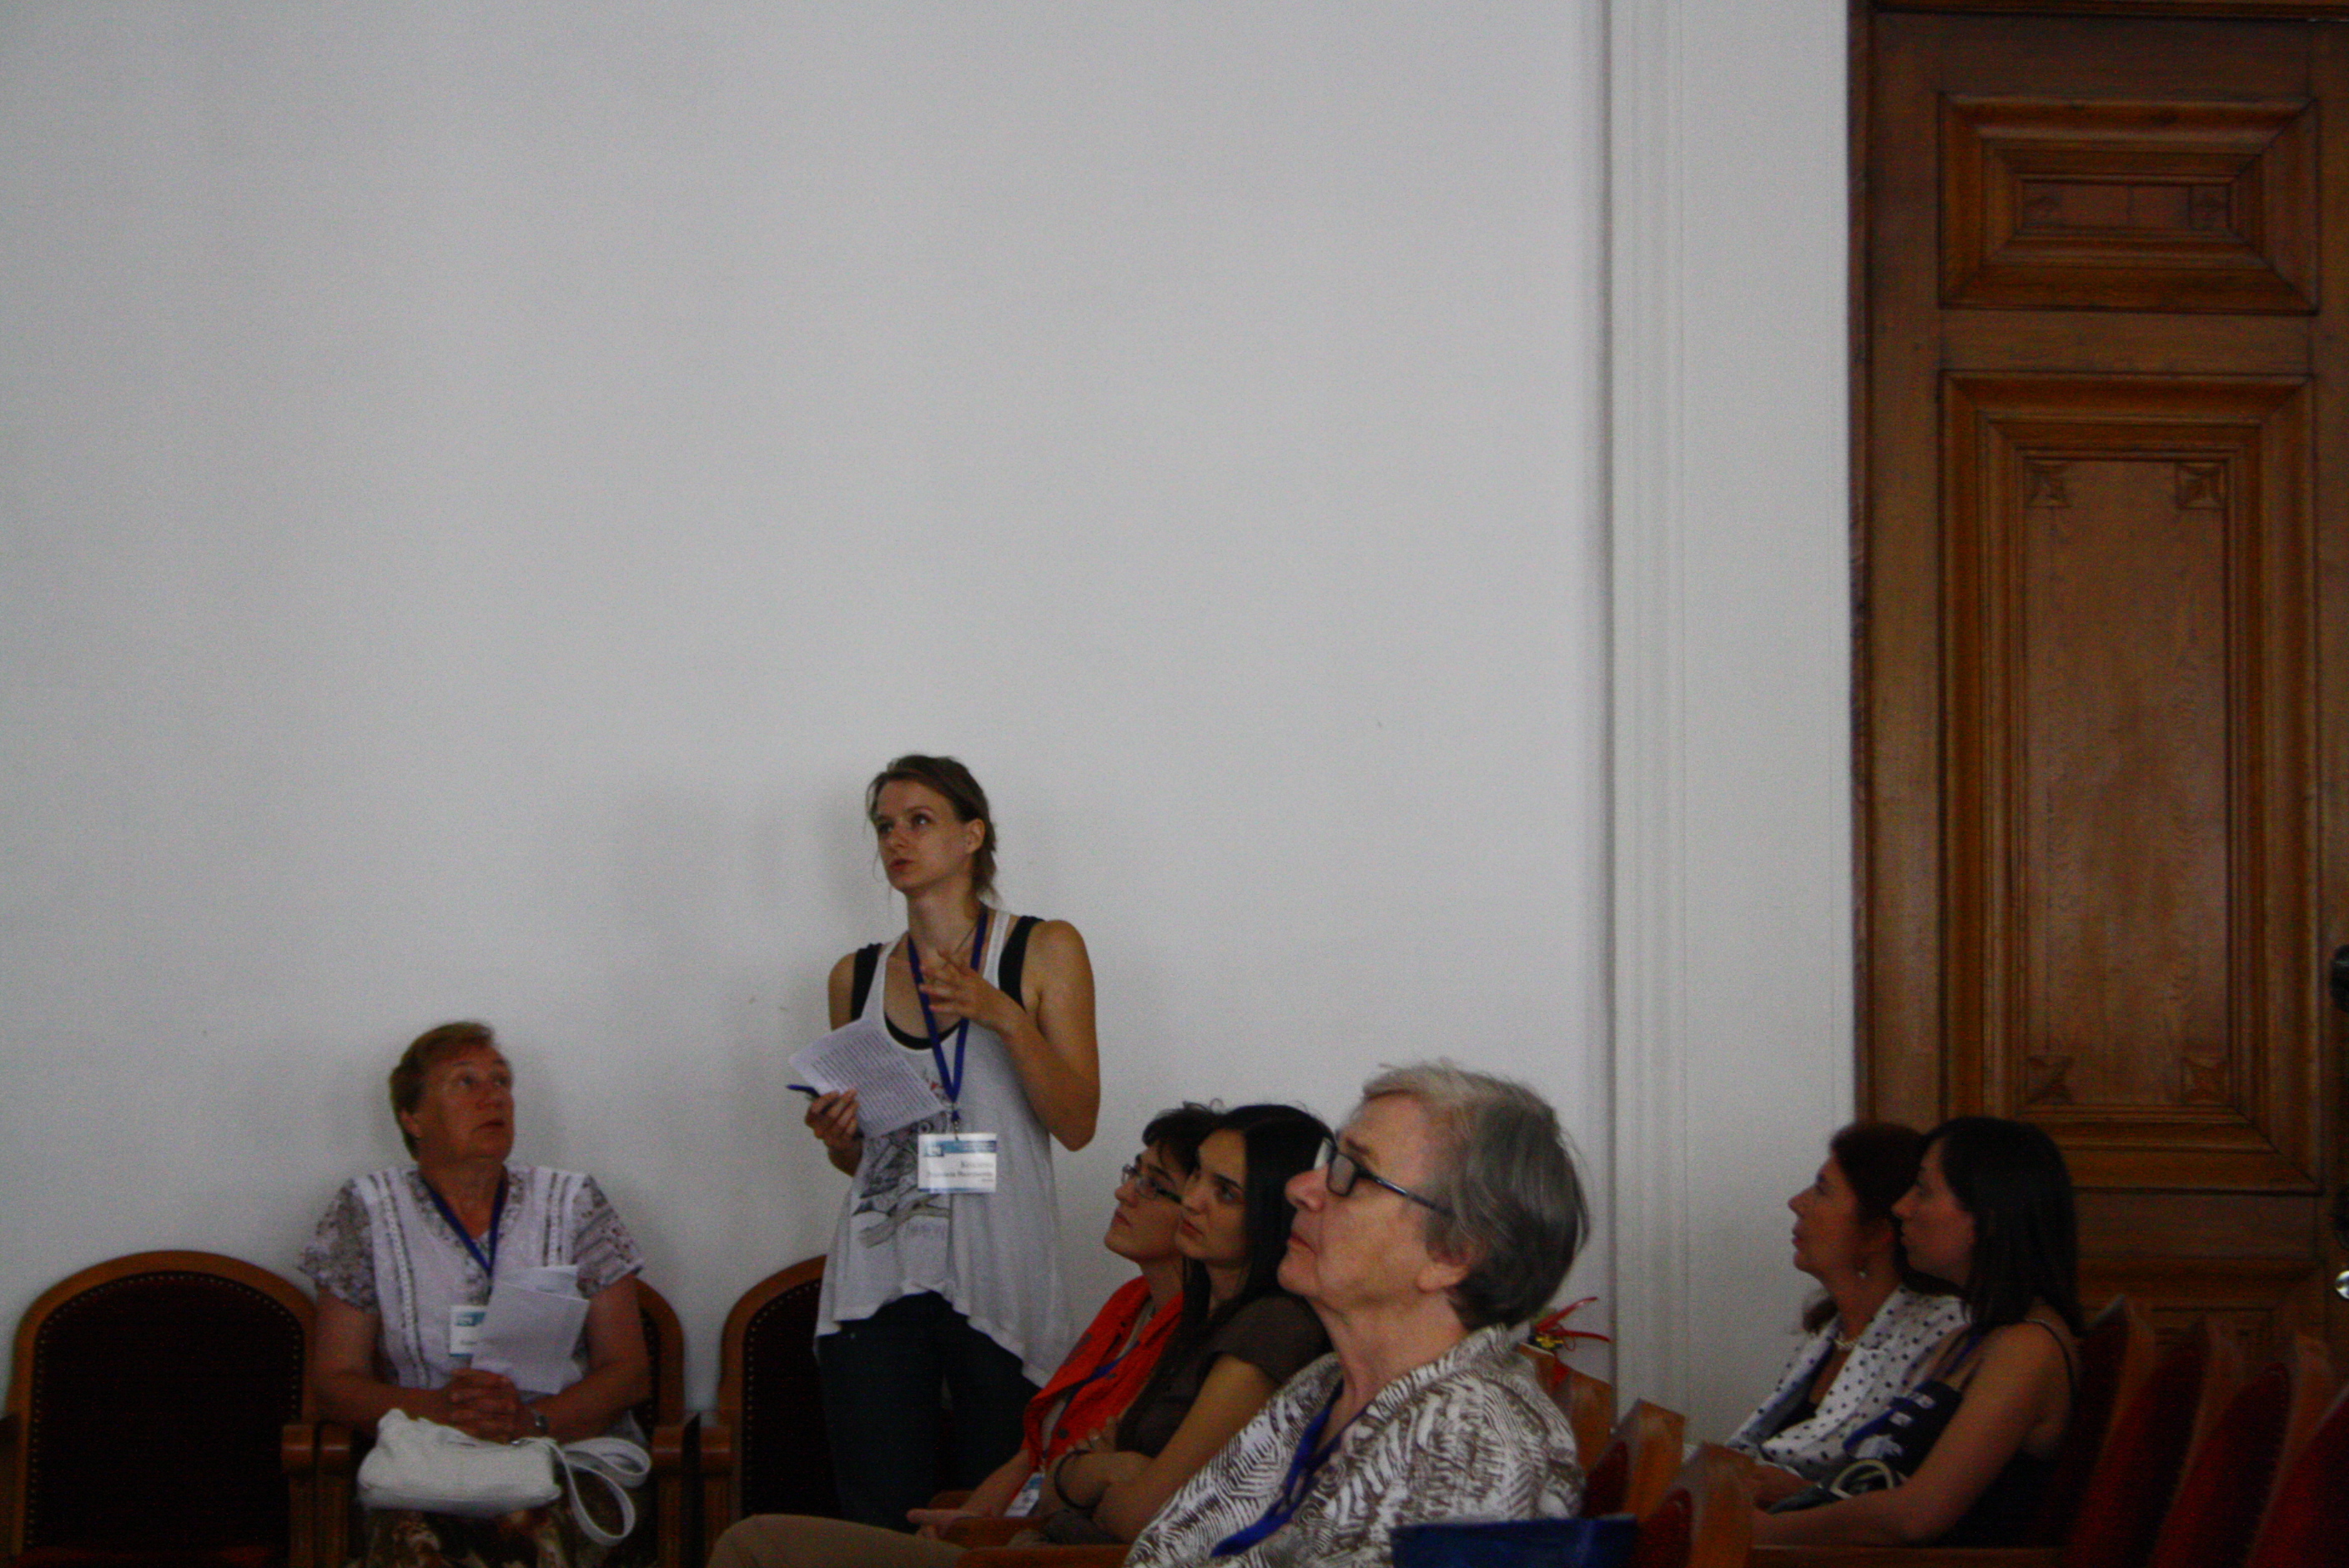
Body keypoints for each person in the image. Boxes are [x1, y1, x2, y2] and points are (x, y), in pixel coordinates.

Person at [707, 1103, 1328, 1568]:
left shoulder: (1267, 1326)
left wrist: (1093, 1475)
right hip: (1030, 1542)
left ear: (1273, 1214)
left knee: (754, 1545)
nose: (1194, 1201)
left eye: (1224, 1192)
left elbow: (1144, 1514)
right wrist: (1093, 1473)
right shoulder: (1190, 1313)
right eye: (1195, 1181)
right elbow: (1053, 1458)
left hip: (1055, 1557)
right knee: (760, 1542)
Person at [1126, 1063, 1589, 1568]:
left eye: (1353, 1174)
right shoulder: (1323, 1385)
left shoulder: (1472, 1438)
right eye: (1330, 1160)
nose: (1300, 1187)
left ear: (1453, 1254)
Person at [800, 756, 1101, 1530]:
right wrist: (839, 1138)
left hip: (1000, 1266)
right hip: (881, 1269)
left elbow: (1077, 1123)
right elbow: (863, 1161)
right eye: (884, 827)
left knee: (994, 1516)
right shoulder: (854, 976)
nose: (897, 840)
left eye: (919, 821)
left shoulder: (1042, 947)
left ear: (972, 836)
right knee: (881, 1516)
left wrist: (1004, 1017)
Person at [300, 1022, 652, 1568]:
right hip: (426, 1459)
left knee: (526, 1532)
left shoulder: (573, 1201)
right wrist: (436, 1412)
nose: (494, 1097)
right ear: (412, 1118)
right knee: (417, 1542)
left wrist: (529, 1423)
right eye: (465, 1082)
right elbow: (334, 1380)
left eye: (502, 1081)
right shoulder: (364, 1210)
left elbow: (628, 1371)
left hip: (564, 1453)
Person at [1753, 1115, 2083, 1548]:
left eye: (1923, 1190)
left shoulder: (2028, 1348)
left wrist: (1765, 1531)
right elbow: (1878, 1483)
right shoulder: (1970, 1340)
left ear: (1988, 1216)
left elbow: (1916, 1517)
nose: (1901, 1208)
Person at [1726, 1123, 1966, 1501]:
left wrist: (1804, 1494)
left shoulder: (1941, 1330)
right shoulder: (1832, 1331)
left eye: (1822, 1190)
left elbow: (1913, 1491)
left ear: (1875, 1234)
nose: (1796, 1202)